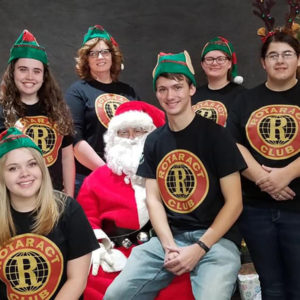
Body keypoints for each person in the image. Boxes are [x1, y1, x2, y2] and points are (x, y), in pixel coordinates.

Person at [104, 51, 247, 300]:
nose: (170, 96)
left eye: (177, 87)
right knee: (116, 294)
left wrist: (201, 247)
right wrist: (169, 245)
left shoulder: (217, 136)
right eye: (162, 89)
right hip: (169, 238)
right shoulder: (155, 141)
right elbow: (154, 199)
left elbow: (235, 203)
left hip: (216, 240)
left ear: (192, 89)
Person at [78, 100, 194, 300]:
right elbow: (85, 219)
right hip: (117, 255)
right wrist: (98, 246)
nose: (131, 138)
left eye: (139, 131)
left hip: (167, 251)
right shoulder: (96, 179)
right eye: (123, 132)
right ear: (114, 137)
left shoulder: (173, 171)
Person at [227, 12, 300, 299]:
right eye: (273, 56)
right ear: (262, 62)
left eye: (287, 54)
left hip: (298, 207)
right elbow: (232, 144)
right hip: (256, 208)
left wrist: (287, 174)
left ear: (298, 59)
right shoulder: (245, 99)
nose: (280, 60)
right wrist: (261, 178)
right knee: (271, 286)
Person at [0, 127, 99, 300]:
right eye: (13, 168)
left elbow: (77, 280)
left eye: (32, 164)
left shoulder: (68, 210)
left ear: (42, 168)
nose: (25, 174)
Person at [65, 25, 138, 196]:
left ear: (113, 56)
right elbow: (74, 139)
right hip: (89, 177)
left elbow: (143, 133)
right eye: (93, 53)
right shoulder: (77, 91)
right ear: (86, 59)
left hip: (128, 177)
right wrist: (107, 172)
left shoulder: (128, 91)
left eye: (105, 52)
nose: (100, 57)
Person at [0, 29, 75, 196]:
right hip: (14, 198)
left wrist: (69, 195)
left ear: (44, 76)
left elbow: (67, 157)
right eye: (23, 69)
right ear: (12, 73)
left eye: (36, 71)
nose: (29, 76)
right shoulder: (2, 111)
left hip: (52, 197)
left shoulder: (57, 109)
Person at [192, 36, 245, 127]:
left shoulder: (242, 96)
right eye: (209, 59)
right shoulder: (193, 95)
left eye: (220, 59)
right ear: (202, 64)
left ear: (229, 63)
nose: (215, 63)